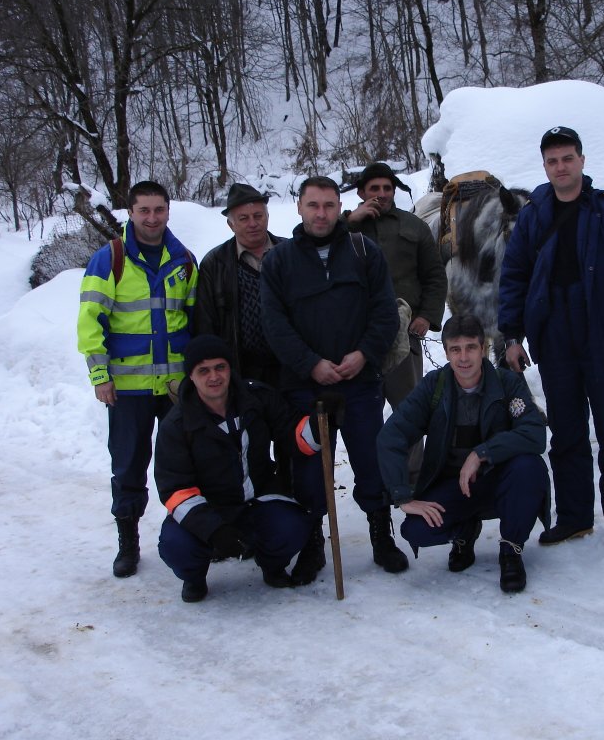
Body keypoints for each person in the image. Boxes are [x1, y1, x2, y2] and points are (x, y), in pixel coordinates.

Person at [498, 126, 604, 555]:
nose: (561, 167)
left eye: (567, 158)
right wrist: (512, 335)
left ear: (582, 160)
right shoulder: (533, 215)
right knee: (566, 435)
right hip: (556, 340)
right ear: (544, 166)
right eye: (552, 161)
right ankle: (575, 517)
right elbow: (515, 278)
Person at [260, 175, 409, 584]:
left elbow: (384, 313)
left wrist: (364, 354)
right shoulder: (279, 261)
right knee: (308, 470)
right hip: (304, 388)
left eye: (328, 205)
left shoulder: (364, 252)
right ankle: (312, 543)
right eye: (313, 205)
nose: (321, 213)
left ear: (338, 207)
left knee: (369, 461)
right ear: (299, 208)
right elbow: (274, 324)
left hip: (358, 383)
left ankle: (381, 535)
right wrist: (310, 364)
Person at [377, 314, 549, 593]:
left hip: (499, 482)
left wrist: (481, 453)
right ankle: (463, 531)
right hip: (455, 487)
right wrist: (402, 496)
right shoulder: (434, 387)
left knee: (529, 468)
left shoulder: (507, 384)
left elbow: (534, 434)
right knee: (416, 529)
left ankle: (511, 549)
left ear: (483, 348)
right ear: (445, 352)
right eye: (455, 349)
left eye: (471, 347)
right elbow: (391, 436)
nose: (464, 357)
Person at [77, 180, 197, 579]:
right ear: (130, 213)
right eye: (143, 210)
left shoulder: (183, 261)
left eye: (158, 210)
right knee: (128, 466)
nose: (151, 218)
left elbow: (196, 322)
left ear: (168, 211)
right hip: (127, 389)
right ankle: (128, 541)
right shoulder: (109, 259)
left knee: (186, 463)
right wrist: (99, 375)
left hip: (176, 388)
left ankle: (197, 533)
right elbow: (90, 322)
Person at [154, 335, 320, 603]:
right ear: (192, 377)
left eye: (220, 367)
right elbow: (175, 490)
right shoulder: (176, 424)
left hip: (256, 501)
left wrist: (322, 421)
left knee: (292, 526)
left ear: (231, 368)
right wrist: (214, 529)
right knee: (176, 546)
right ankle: (194, 578)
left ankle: (272, 565)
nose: (214, 377)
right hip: (207, 508)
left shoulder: (257, 398)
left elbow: (296, 437)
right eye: (203, 370)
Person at [345, 162, 448, 486]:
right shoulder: (343, 227)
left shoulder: (413, 226)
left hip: (403, 334)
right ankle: (377, 481)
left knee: (409, 410)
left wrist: (427, 316)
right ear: (361, 192)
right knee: (364, 412)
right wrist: (350, 222)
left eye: (387, 189)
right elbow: (311, 246)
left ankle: (413, 479)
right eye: (373, 189)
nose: (381, 195)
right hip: (355, 337)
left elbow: (434, 276)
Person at [195, 183, 284, 386]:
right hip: (241, 371)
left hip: (290, 368)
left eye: (258, 216)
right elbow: (205, 325)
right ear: (231, 224)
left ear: (267, 217)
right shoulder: (215, 263)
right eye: (243, 218)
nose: (252, 223)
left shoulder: (290, 253)